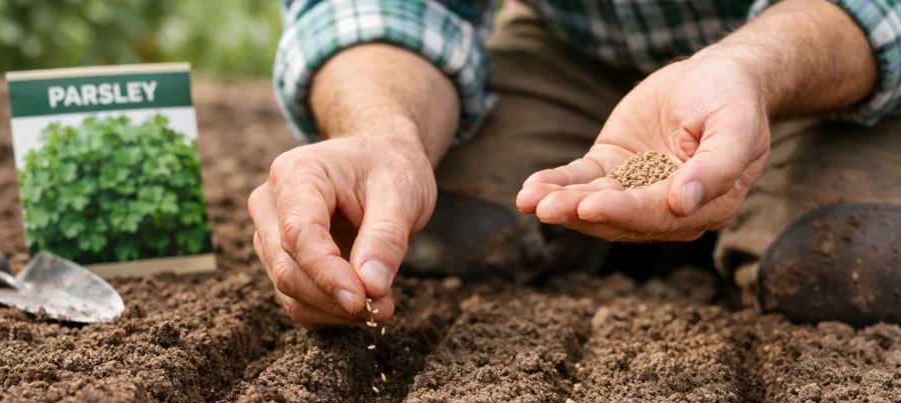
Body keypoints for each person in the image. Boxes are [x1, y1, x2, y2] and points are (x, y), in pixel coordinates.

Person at [249, 0, 901, 330]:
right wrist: (385, 133)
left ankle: (709, 225)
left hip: (820, 54)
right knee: (442, 238)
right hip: (573, 45)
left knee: (847, 267)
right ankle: (665, 235)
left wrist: (750, 70)